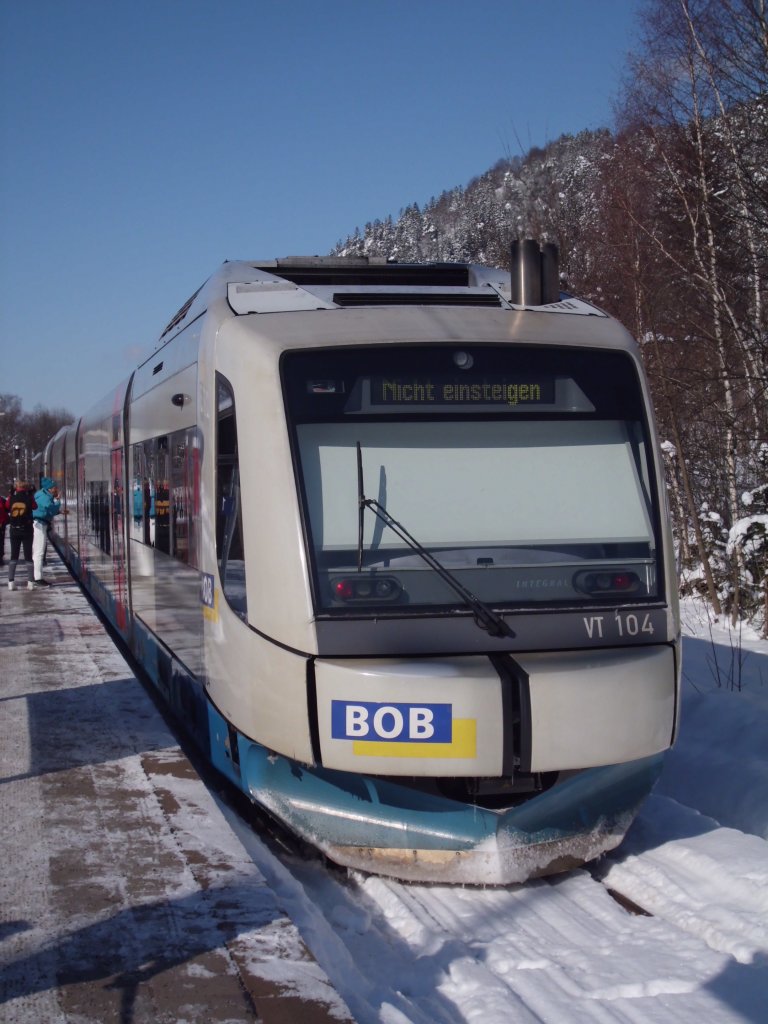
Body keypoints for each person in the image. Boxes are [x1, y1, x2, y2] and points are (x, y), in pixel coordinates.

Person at [32, 476, 64, 586]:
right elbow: (51, 508)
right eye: (54, 487)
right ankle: (38, 578)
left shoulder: (42, 495)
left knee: (38, 551)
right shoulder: (44, 497)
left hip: (40, 523)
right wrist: (58, 501)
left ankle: (37, 577)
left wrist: (58, 511)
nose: (56, 489)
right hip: (39, 524)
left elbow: (48, 510)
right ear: (49, 488)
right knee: (39, 552)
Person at [7, 481, 36, 591]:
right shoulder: (29, 498)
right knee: (28, 555)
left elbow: (6, 506)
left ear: (16, 488)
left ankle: (11, 582)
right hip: (27, 530)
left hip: (14, 530)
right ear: (26, 488)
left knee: (14, 556)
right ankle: (31, 583)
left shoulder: (12, 498)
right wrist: (30, 495)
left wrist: (11, 494)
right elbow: (35, 507)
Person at [0, 491, 9, 565]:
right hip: (1, 522)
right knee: (1, 540)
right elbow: (8, 508)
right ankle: (0, 558)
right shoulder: (2, 500)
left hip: (2, 522)